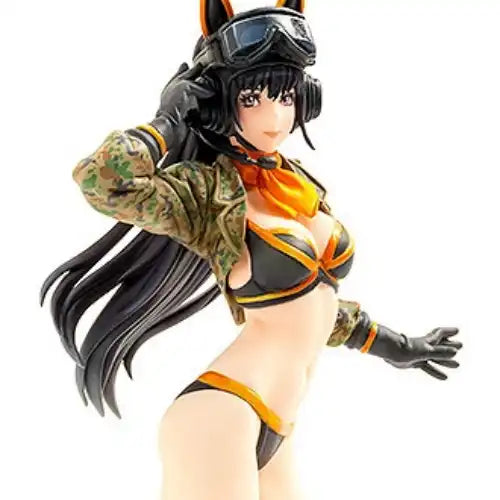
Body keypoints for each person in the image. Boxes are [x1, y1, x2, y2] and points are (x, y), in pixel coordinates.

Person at [40, 1, 462, 499]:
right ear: (217, 103)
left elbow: (310, 305)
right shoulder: (206, 193)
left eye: (285, 96)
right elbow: (101, 181)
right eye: (252, 97)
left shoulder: (295, 184)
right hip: (221, 414)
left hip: (278, 422)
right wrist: (167, 122)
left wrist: (394, 344)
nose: (274, 116)